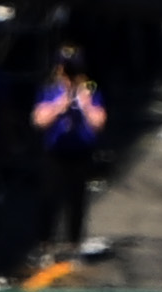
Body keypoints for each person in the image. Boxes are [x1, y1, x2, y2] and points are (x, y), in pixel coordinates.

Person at [35, 50, 108, 246]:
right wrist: (61, 104)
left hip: (80, 153)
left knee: (76, 201)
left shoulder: (90, 92)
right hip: (55, 153)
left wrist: (84, 104)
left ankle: (73, 241)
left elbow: (99, 122)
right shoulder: (51, 91)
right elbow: (39, 120)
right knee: (49, 199)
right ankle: (45, 241)